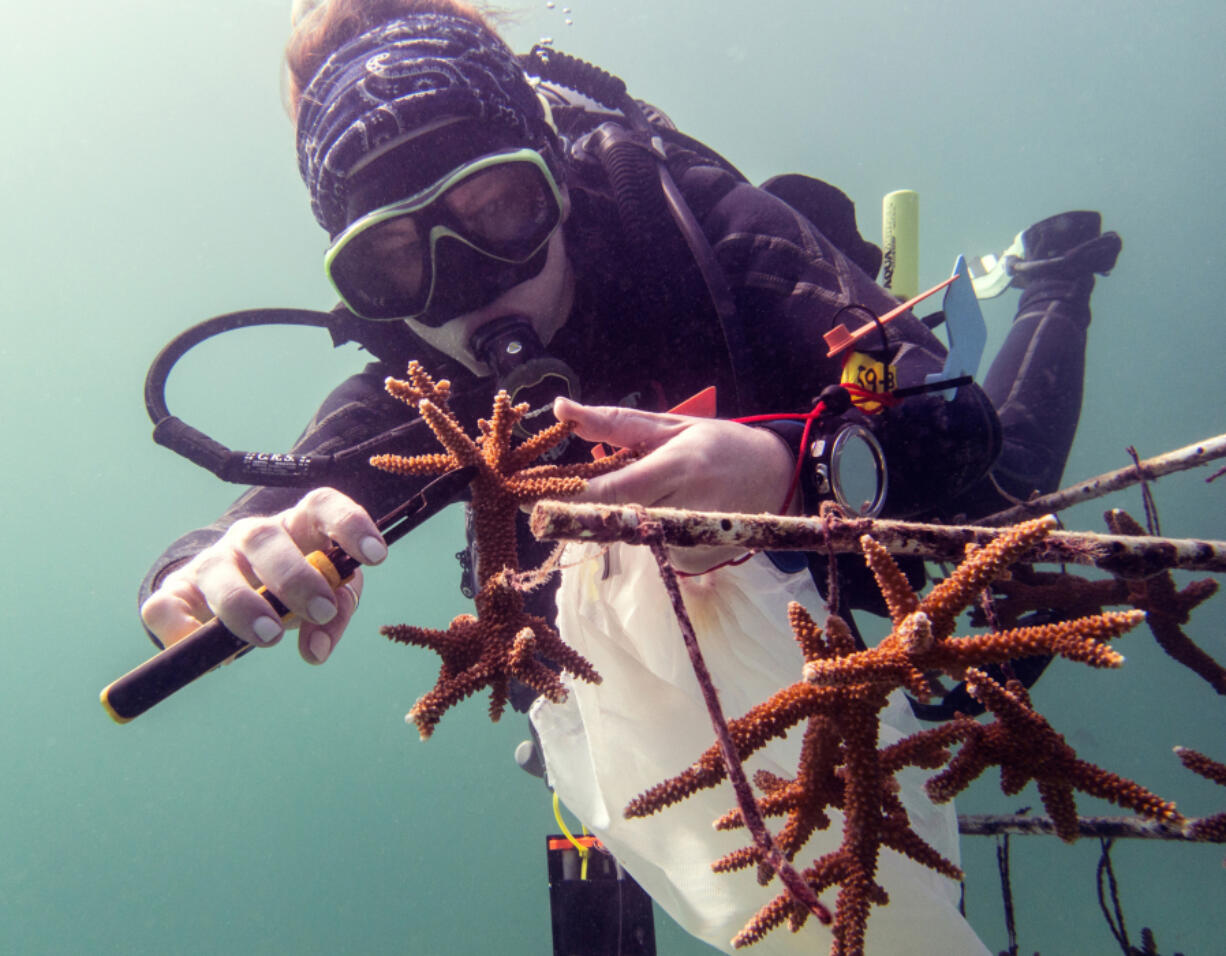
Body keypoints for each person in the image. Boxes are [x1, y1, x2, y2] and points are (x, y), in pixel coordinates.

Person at [136, 0, 1120, 950]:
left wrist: (778, 465)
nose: (475, 280)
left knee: (1000, 611)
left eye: (500, 208)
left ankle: (1049, 278)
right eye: (398, 261)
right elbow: (278, 511)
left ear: (556, 177)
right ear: (364, 289)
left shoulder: (680, 215)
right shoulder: (419, 380)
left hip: (821, 477)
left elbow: (946, 426)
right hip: (613, 611)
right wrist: (208, 564)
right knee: (559, 688)